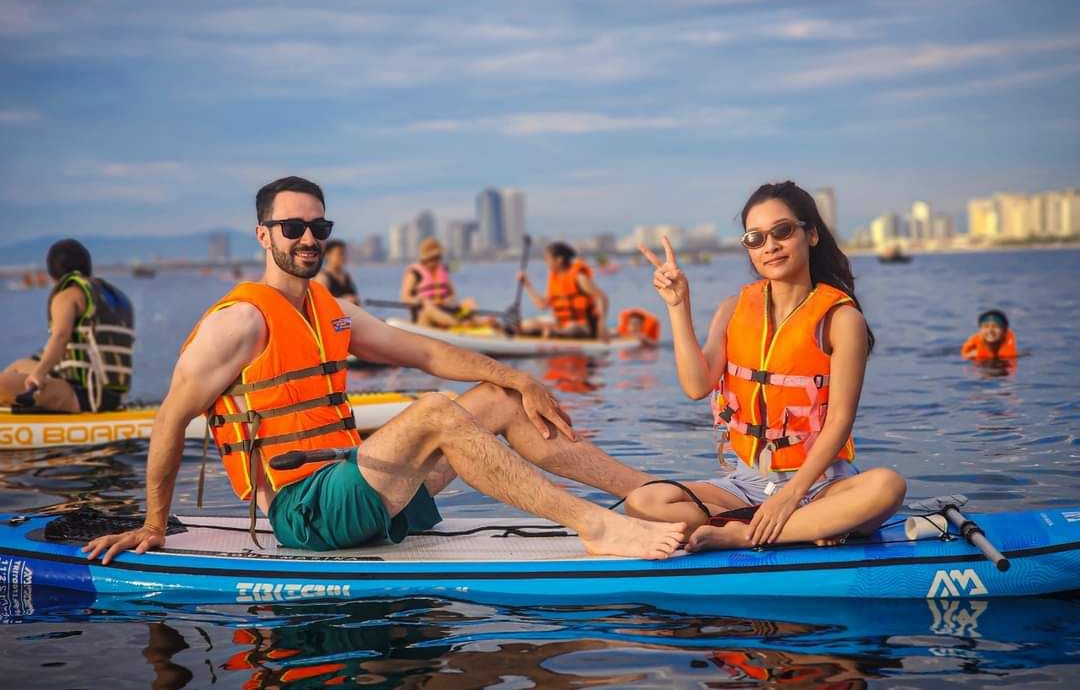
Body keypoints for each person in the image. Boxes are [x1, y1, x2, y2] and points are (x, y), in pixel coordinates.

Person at [84, 176, 685, 563]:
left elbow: (423, 352)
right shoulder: (239, 322)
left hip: (354, 482)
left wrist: (518, 377)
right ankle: (595, 527)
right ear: (264, 235)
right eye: (293, 228)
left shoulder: (329, 311)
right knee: (432, 411)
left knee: (499, 399)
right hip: (304, 510)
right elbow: (168, 419)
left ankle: (647, 494)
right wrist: (153, 525)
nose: (308, 238)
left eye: (318, 228)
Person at [623, 180, 906, 552]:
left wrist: (790, 498)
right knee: (643, 502)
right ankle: (804, 529)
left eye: (782, 231)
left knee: (887, 487)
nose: (769, 245)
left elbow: (839, 422)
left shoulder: (841, 319)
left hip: (821, 485)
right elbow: (696, 386)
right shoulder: (733, 309)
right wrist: (678, 305)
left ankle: (744, 533)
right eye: (754, 238)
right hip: (746, 486)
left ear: (812, 235)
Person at [0, 239, 135, 413]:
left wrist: (39, 374)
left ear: (52, 273)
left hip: (84, 396)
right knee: (20, 365)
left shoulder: (67, 296)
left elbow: (61, 337)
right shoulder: (107, 295)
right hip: (108, 394)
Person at [517, 242, 609, 340]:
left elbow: (602, 297)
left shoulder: (579, 278)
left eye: (548, 259)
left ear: (559, 260)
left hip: (584, 327)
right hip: (561, 324)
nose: (546, 263)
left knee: (572, 327)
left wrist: (601, 327)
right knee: (527, 324)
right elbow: (542, 305)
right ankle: (548, 333)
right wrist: (527, 285)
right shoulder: (554, 279)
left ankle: (553, 334)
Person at [399, 238, 490, 329]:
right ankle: (458, 323)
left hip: (445, 309)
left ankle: (478, 321)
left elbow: (452, 293)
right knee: (428, 307)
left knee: (470, 301)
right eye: (434, 258)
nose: (437, 261)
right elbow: (404, 297)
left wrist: (449, 300)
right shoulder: (414, 273)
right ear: (426, 258)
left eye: (439, 257)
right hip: (425, 313)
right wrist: (419, 300)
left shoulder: (442, 270)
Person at [315, 239, 360, 304]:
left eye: (345, 253)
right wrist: (343, 301)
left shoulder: (346, 276)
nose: (343, 257)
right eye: (340, 254)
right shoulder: (322, 278)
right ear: (328, 255)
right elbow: (319, 303)